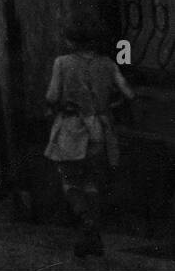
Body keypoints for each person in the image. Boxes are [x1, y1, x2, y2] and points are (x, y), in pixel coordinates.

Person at [44, 16, 136, 258]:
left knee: (70, 181)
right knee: (93, 182)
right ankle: (92, 231)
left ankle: (87, 223)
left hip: (72, 128)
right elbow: (128, 93)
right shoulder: (107, 63)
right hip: (101, 128)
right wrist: (108, 106)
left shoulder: (62, 63)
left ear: (70, 40)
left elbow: (52, 96)